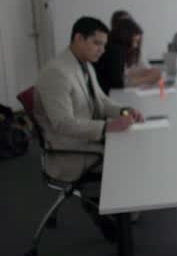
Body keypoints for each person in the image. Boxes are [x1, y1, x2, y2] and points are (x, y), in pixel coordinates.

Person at [34, 16, 144, 241]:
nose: (102, 50)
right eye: (97, 43)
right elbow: (63, 124)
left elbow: (102, 102)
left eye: (104, 44)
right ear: (78, 38)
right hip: (69, 150)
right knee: (130, 158)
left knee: (134, 146)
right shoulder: (57, 72)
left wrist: (125, 111)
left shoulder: (83, 65)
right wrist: (107, 127)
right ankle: (114, 212)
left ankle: (117, 209)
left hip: (87, 139)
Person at [94, 18, 161, 94]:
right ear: (125, 38)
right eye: (134, 41)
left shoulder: (118, 50)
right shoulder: (114, 51)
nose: (135, 46)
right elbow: (119, 84)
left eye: (138, 42)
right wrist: (146, 79)